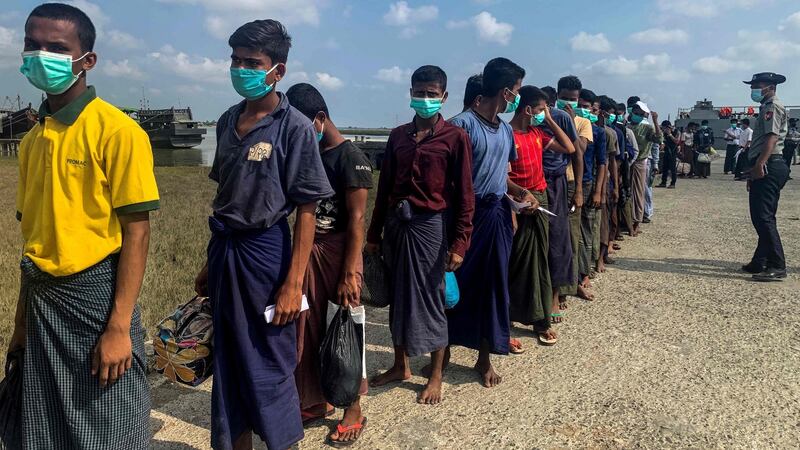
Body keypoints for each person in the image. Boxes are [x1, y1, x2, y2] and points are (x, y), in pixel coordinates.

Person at [12, 4, 159, 449]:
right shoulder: (33, 140)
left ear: (87, 60)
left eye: (57, 48)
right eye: (33, 45)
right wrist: (20, 324)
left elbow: (137, 232)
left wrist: (119, 327)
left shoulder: (117, 131)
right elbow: (34, 243)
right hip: (43, 301)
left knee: (112, 424)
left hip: (96, 301)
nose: (41, 56)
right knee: (45, 426)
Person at [193, 20, 335, 450]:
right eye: (235, 60)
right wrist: (210, 264)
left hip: (267, 255)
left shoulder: (294, 127)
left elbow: (307, 210)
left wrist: (294, 284)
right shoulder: (226, 121)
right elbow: (227, 195)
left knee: (270, 358)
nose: (241, 69)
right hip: (225, 250)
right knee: (229, 359)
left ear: (278, 70)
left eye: (252, 63)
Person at [366, 65, 475, 402]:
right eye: (419, 93)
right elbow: (384, 189)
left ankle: (436, 374)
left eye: (431, 94)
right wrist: (374, 234)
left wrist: (460, 243)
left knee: (431, 298)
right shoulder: (398, 136)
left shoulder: (455, 137)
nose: (424, 99)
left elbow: (465, 195)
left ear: (443, 97)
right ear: (410, 93)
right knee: (397, 297)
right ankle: (400, 364)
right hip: (397, 226)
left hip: (430, 227)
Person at [285, 83, 373, 446]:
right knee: (308, 326)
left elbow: (357, 220)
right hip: (309, 251)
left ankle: (353, 407)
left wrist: (350, 272)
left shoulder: (350, 157)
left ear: (320, 119)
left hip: (339, 253)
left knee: (344, 327)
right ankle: (317, 398)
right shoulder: (310, 153)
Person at [448, 57, 526, 387]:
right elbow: (450, 179)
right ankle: (442, 354)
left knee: (492, 288)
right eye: (517, 90)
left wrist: (517, 195)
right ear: (505, 92)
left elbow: (500, 175)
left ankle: (484, 358)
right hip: (465, 218)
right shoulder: (461, 126)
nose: (518, 97)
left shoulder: (505, 130)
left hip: (496, 216)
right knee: (452, 287)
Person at [507, 85, 575, 346]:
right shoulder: (507, 134)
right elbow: (503, 174)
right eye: (540, 109)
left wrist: (549, 120)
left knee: (540, 262)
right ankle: (508, 316)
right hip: (518, 201)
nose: (543, 114)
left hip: (541, 198)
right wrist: (519, 197)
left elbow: (569, 147)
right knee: (517, 262)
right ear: (527, 109)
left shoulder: (537, 133)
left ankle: (540, 318)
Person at [741, 72, 790, 281]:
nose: (753, 89)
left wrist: (760, 164)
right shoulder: (765, 106)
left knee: (763, 217)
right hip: (766, 164)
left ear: (770, 86)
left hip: (770, 164)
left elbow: (772, 137)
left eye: (757, 85)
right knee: (763, 216)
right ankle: (760, 260)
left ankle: (777, 265)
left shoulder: (772, 107)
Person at [554, 76, 591, 309]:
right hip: (551, 182)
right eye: (564, 98)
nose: (569, 102)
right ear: (557, 95)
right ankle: (555, 287)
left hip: (570, 182)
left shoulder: (582, 122)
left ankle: (569, 286)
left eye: (573, 99)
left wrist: (578, 190)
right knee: (555, 238)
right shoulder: (549, 117)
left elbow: (579, 152)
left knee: (571, 236)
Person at [577, 89, 607, 287]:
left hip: (588, 183)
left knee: (586, 230)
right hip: (571, 182)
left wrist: (598, 191)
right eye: (580, 106)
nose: (582, 110)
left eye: (586, 107)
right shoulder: (568, 125)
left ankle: (585, 272)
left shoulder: (598, 132)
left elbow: (602, 163)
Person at [627, 98, 662, 236]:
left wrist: (656, 121)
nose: (638, 116)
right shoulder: (627, 126)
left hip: (640, 162)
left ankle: (636, 221)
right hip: (627, 162)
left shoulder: (647, 127)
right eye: (636, 113)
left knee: (638, 192)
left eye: (641, 114)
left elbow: (658, 139)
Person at [658, 121, 680, 188]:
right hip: (666, 151)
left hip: (673, 152)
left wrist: (670, 134)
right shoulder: (664, 133)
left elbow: (676, 141)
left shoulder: (676, 131)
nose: (664, 129)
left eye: (664, 128)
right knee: (664, 167)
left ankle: (673, 183)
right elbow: (663, 141)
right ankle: (663, 182)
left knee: (673, 168)